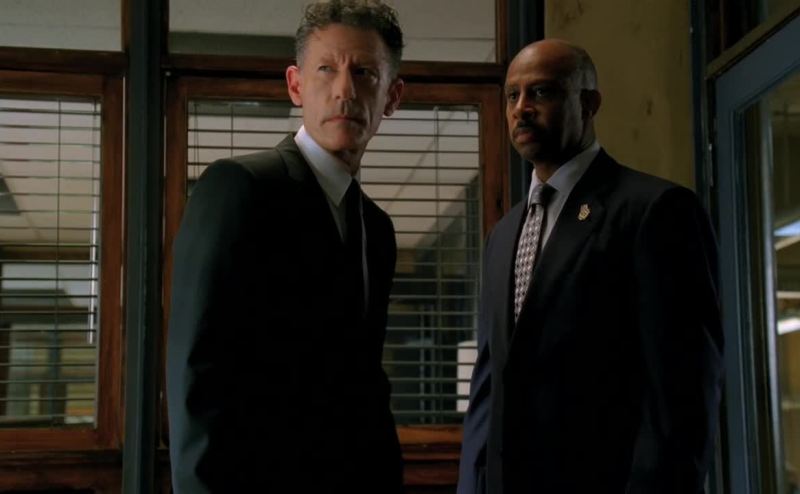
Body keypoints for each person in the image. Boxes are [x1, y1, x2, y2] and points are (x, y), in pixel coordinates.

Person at [458, 39, 724, 493]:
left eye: (541, 92)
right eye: (512, 95)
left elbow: (680, 400)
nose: (521, 109)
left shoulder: (656, 211)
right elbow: (489, 385)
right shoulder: (502, 235)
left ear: (589, 103)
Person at [166, 1, 405, 492]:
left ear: (392, 96)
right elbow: (197, 376)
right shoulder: (239, 187)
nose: (344, 90)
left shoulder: (377, 229)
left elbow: (365, 386)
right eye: (326, 69)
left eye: (364, 73)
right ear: (296, 85)